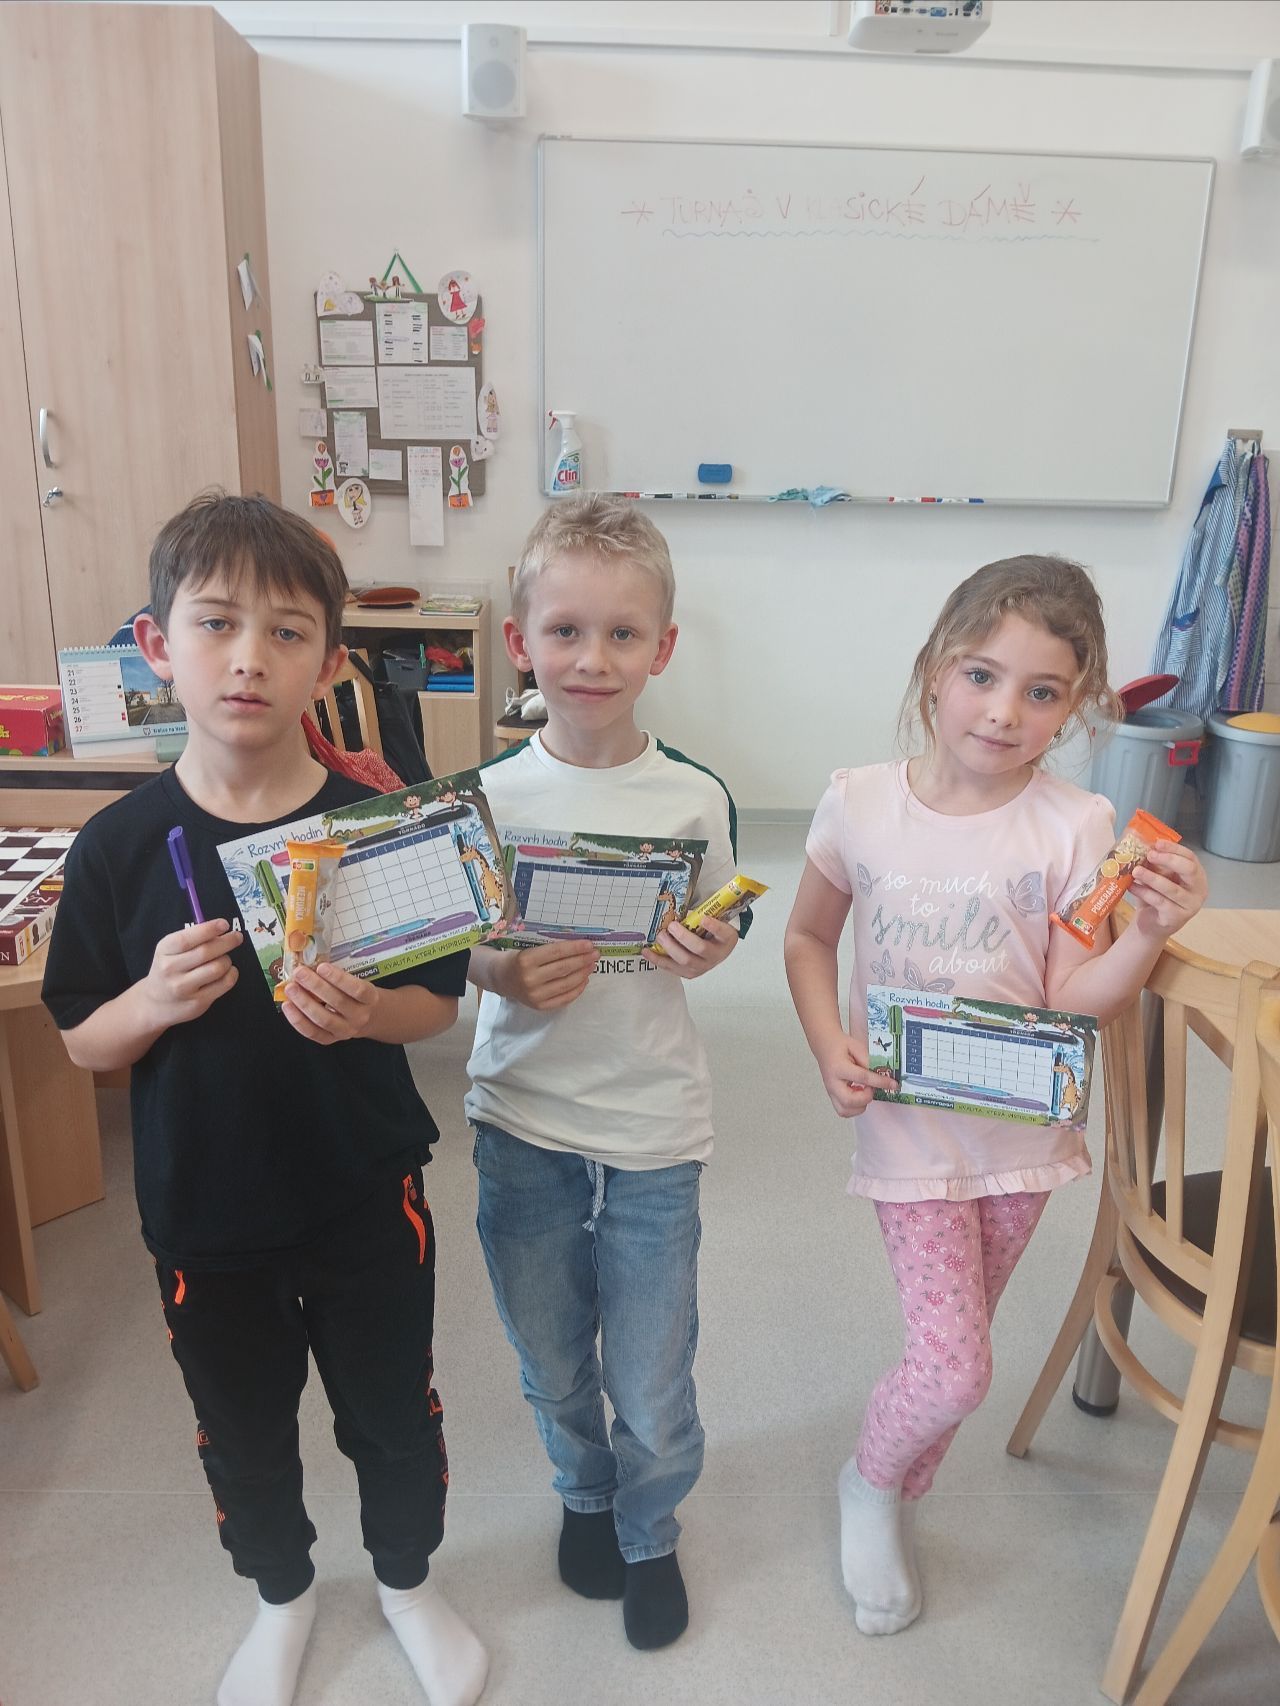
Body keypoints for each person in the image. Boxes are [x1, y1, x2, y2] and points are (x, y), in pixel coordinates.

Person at [42, 492, 487, 1706]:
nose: (248, 657)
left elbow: (435, 1004)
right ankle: (282, 1594)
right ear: (156, 643)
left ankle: (406, 1581)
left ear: (331, 663)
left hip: (364, 1190)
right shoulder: (119, 846)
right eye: (216, 623)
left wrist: (368, 1011)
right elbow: (81, 1037)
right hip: (204, 1209)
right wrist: (150, 1000)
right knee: (239, 1425)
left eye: (287, 631)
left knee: (393, 1411)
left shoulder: (373, 828)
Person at [783, 555, 1207, 1637]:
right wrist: (829, 1042)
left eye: (1041, 691)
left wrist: (1149, 934)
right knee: (956, 1368)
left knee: (957, 1351)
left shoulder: (1076, 823)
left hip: (1021, 1141)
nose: (1004, 711)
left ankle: (900, 1485)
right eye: (981, 674)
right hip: (909, 1134)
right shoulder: (859, 801)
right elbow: (808, 936)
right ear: (934, 668)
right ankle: (869, 1482)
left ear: (1075, 705)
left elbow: (1075, 995)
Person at [464, 495, 746, 1651]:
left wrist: (709, 944)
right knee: (547, 1349)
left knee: (652, 1368)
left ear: (661, 648)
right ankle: (583, 1491)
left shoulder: (692, 795)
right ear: (519, 640)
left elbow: (717, 916)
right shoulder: (487, 796)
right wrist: (499, 969)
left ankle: (647, 1526)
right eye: (565, 630)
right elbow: (456, 945)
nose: (591, 658)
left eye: (622, 633)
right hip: (521, 1112)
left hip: (651, 1123)